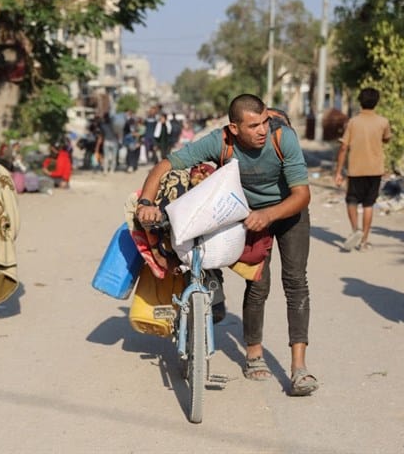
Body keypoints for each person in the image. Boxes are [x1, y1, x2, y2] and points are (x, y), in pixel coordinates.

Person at [135, 93, 318, 397]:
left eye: (264, 123)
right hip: (248, 214)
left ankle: (299, 368)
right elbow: (165, 165)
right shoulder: (219, 142)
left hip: (288, 211)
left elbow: (302, 195)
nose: (262, 130)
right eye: (253, 125)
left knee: (296, 282)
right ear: (234, 128)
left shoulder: (281, 138)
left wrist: (269, 214)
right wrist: (145, 202)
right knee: (258, 284)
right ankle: (254, 354)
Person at [334, 87, 392, 252]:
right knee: (368, 204)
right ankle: (364, 241)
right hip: (375, 170)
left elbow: (344, 147)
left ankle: (355, 230)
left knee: (351, 200)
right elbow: (387, 138)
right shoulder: (383, 122)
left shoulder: (353, 122)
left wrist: (338, 171)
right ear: (377, 102)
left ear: (360, 101)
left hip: (356, 169)